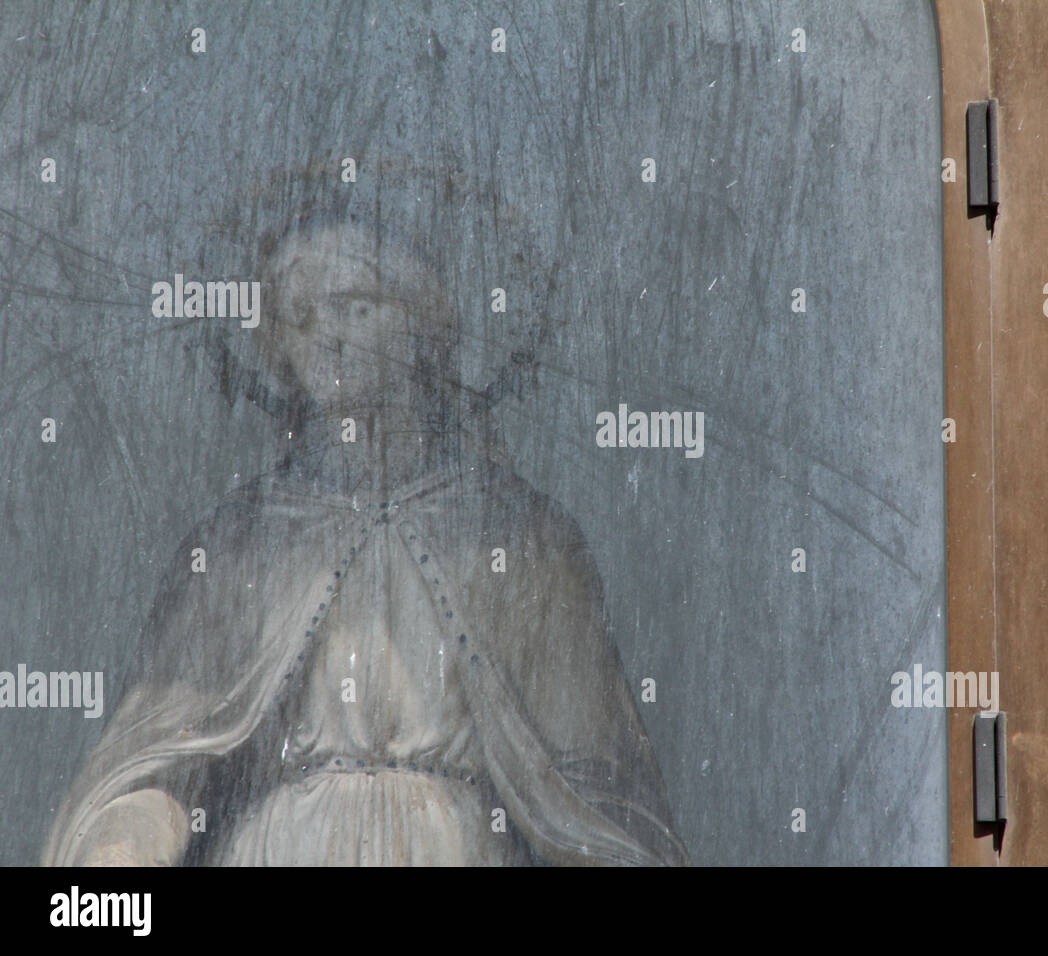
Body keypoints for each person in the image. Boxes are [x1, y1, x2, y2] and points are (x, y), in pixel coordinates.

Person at [43, 217, 687, 866]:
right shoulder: (242, 544)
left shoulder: (517, 538)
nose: (328, 338)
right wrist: (118, 852)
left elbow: (595, 791)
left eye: (355, 306)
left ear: (421, 327)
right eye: (299, 319)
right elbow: (156, 764)